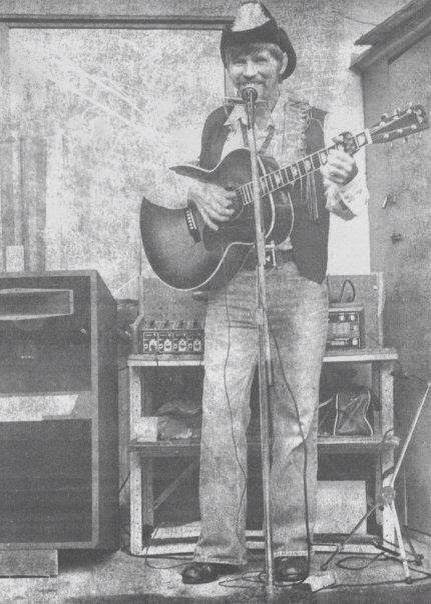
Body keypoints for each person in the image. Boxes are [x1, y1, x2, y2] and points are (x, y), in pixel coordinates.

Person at [180, 0, 368, 585]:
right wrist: (198, 196)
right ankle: (219, 548)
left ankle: (291, 545)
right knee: (221, 414)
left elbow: (340, 205)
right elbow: (191, 183)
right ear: (229, 68)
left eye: (260, 58)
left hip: (297, 281)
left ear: (281, 63)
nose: (249, 70)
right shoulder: (217, 125)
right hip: (230, 284)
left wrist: (344, 182)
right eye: (238, 60)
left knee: (294, 418)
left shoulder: (313, 124)